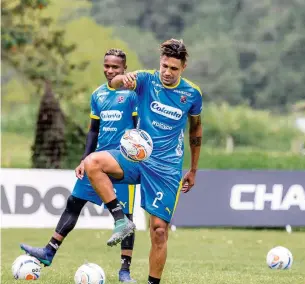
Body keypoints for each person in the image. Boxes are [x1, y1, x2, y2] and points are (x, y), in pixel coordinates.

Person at [83, 38, 203, 284]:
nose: (167, 73)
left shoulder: (192, 94)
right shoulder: (146, 79)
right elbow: (113, 84)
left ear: (183, 68)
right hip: (138, 158)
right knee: (92, 163)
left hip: (167, 168)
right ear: (159, 63)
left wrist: (193, 169)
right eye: (164, 66)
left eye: (173, 68)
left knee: (159, 231)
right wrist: (121, 79)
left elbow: (196, 131)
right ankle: (121, 221)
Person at [20, 49, 140, 283]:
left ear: (124, 69)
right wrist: (85, 159)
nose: (110, 70)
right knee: (73, 203)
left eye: (115, 67)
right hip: (96, 162)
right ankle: (48, 252)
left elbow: (139, 129)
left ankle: (125, 271)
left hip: (121, 163)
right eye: (107, 65)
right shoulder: (98, 95)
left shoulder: (133, 95)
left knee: (126, 217)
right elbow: (93, 131)